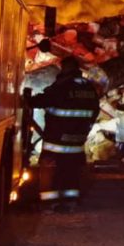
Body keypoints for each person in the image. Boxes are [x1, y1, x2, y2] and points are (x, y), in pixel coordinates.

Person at [28, 56, 100, 211]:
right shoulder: (89, 88)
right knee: (71, 171)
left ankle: (49, 203)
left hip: (57, 141)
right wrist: (84, 130)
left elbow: (43, 100)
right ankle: (70, 202)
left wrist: (27, 100)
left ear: (65, 68)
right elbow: (95, 111)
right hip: (77, 141)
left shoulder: (62, 86)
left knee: (51, 169)